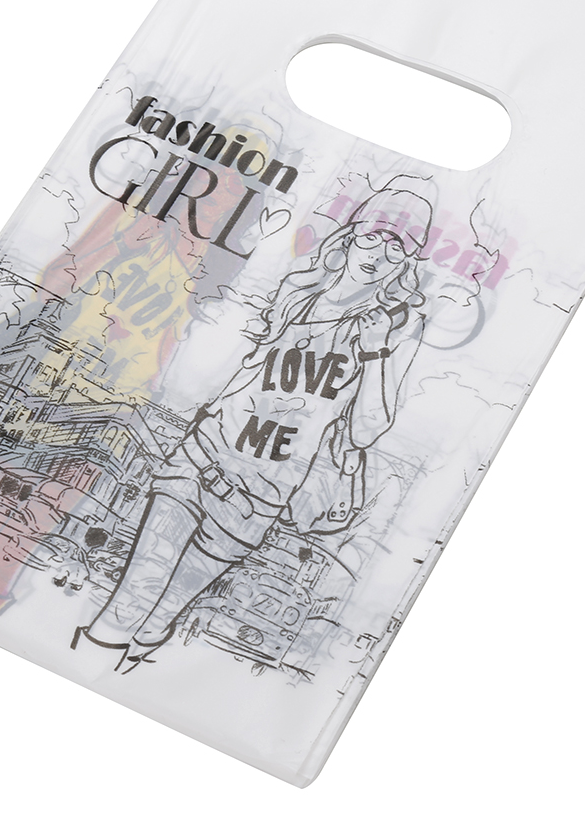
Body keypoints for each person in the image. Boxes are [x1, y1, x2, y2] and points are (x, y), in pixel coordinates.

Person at [72, 176, 433, 669]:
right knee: (134, 596)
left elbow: (367, 428)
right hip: (206, 453)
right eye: (374, 235)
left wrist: (374, 352)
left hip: (263, 491)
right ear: (352, 235)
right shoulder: (299, 291)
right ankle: (83, 667)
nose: (380, 254)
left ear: (407, 264)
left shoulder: (396, 327)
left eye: (398, 248)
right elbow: (249, 368)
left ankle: (110, 677)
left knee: (163, 616)